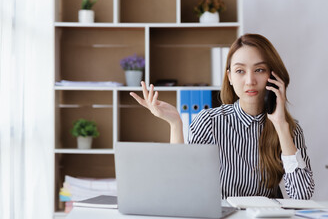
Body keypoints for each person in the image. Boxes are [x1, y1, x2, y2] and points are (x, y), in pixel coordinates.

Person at [130, 33, 314, 200]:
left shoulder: (290, 128)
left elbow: (302, 196)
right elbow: (182, 184)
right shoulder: (209, 122)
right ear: (230, 77)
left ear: (273, 76)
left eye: (259, 70)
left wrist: (281, 126)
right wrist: (175, 124)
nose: (250, 80)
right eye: (240, 71)